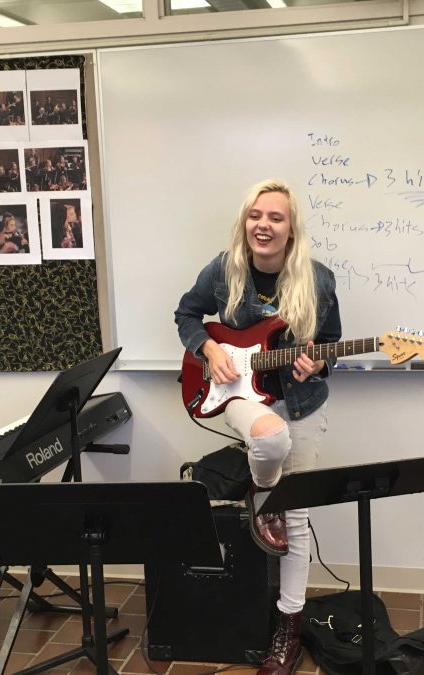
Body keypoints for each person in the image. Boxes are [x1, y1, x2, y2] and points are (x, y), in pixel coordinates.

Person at [174, 179, 341, 675]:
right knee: (269, 437)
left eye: (276, 218)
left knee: (297, 518)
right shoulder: (223, 271)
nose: (263, 225)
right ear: (245, 222)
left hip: (301, 400)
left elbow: (329, 343)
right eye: (256, 216)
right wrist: (210, 349)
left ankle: (287, 630)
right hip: (237, 394)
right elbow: (186, 313)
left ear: (292, 230)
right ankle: (261, 498)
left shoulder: (319, 279)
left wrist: (318, 365)